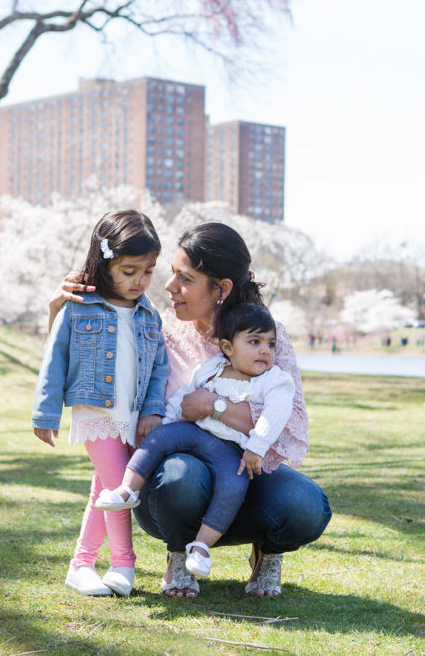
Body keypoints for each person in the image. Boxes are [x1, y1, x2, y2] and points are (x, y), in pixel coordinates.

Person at [49, 222, 331, 599]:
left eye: (186, 279)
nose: (169, 287)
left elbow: (287, 423)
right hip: (175, 483)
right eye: (171, 275)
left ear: (222, 289)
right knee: (180, 477)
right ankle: (178, 553)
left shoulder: (265, 335)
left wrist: (213, 405)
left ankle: (268, 552)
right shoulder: (157, 328)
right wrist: (59, 309)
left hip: (246, 471)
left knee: (305, 505)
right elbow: (88, 355)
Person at [95, 303, 294, 580]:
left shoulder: (275, 380)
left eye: (271, 344)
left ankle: (200, 547)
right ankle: (127, 491)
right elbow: (184, 398)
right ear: (227, 347)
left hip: (231, 450)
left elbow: (275, 415)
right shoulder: (212, 368)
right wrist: (168, 424)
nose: (265, 350)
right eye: (254, 341)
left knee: (233, 487)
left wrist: (255, 448)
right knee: (160, 438)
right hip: (194, 432)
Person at [32, 210, 169, 598]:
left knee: (105, 489)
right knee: (120, 491)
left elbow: (159, 367)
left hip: (132, 412)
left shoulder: (149, 314)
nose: (139, 281)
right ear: (105, 262)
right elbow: (54, 358)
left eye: (148, 271)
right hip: (96, 412)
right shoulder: (79, 306)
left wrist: (153, 410)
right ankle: (123, 563)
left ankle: (81, 564)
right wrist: (45, 412)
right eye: (129, 271)